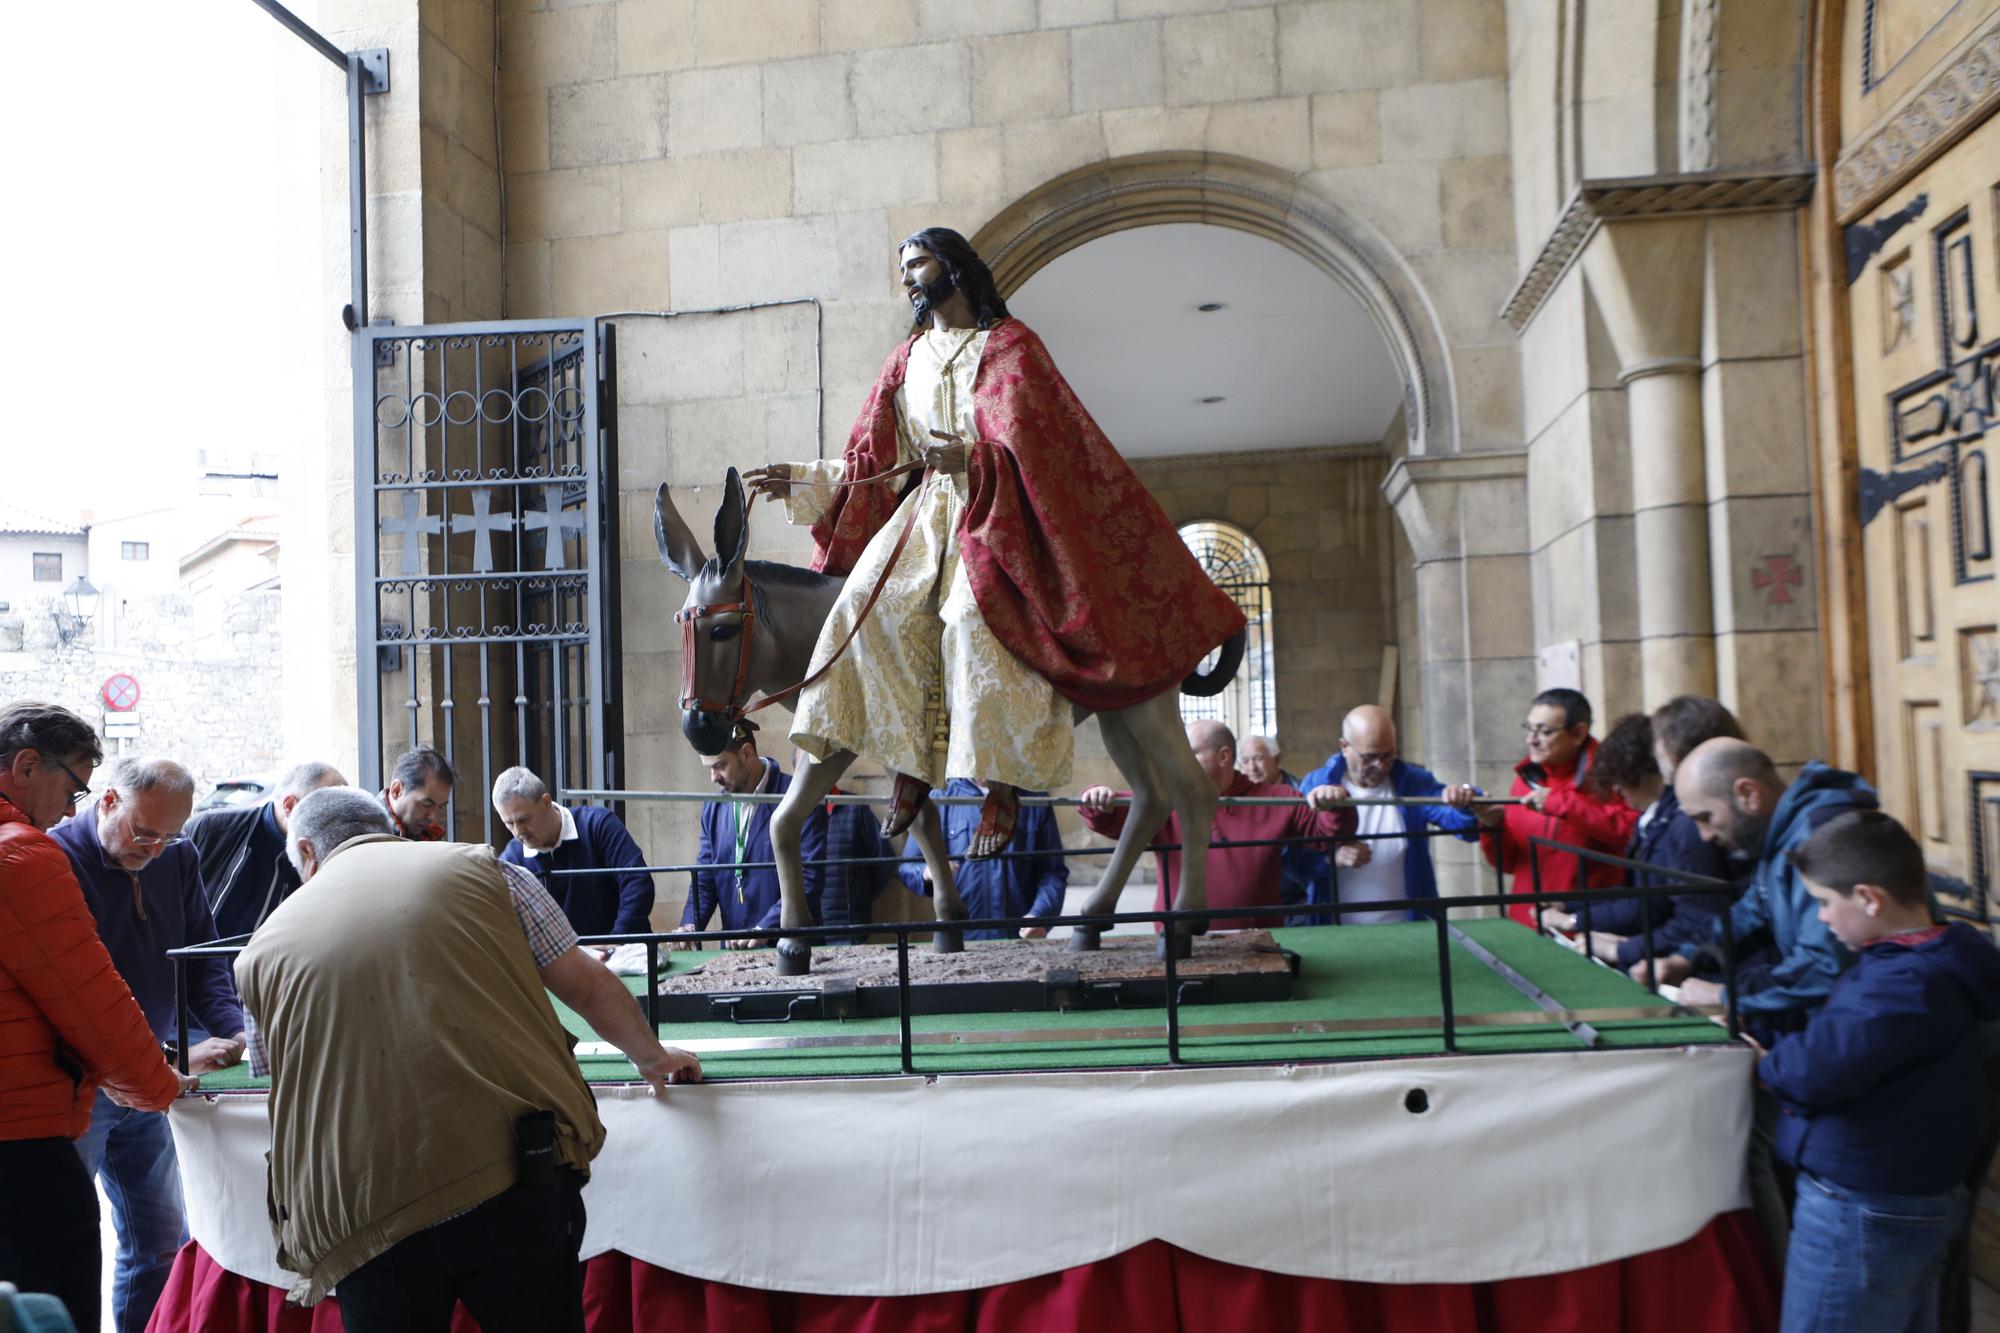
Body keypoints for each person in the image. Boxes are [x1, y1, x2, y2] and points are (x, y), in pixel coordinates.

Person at [745, 227, 1244, 858]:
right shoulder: (905, 360)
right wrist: (801, 478)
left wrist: (976, 460)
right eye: (903, 268)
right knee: (869, 611)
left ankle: (1002, 783)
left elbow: (1049, 451)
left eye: (918, 264)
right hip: (925, 519)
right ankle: (911, 764)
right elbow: (876, 460)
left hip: (999, 518)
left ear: (952, 268)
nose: (908, 279)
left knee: (971, 615)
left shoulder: (1012, 347)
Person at [234, 787, 700, 1327]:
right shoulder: (485, 869)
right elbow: (585, 984)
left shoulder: (259, 952)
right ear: (387, 822)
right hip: (508, 1172)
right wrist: (651, 1055)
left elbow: (275, 1078)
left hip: (363, 1210)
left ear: (308, 853)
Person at [1758, 811, 2000, 1333]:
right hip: (1904, 1193)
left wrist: (1768, 1059)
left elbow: (1814, 1071)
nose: (1820, 918)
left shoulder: (1901, 984)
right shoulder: (1933, 959)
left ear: (1869, 898)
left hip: (1861, 1203)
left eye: (1824, 902)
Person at [0, 703, 191, 1332]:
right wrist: (158, 1086)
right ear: (27, 767)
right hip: (22, 1133)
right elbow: (90, 999)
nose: (72, 807)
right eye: (73, 786)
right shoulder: (23, 857)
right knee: (49, 1308)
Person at [50, 756, 248, 1333]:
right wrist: (169, 1057)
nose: (156, 849)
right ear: (106, 800)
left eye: (169, 835)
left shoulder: (178, 856)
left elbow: (202, 956)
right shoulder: (56, 860)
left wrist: (233, 1030)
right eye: (145, 833)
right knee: (70, 1241)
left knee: (161, 1240)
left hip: (155, 1078)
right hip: (84, 1084)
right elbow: (80, 998)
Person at [1078, 721, 1356, 931]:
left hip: (1257, 943)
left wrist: (1333, 803)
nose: (1177, 763)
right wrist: (1097, 798)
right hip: (1177, 941)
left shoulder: (1276, 799)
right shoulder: (1165, 799)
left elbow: (1327, 832)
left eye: (1191, 753)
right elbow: (1114, 815)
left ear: (1224, 757)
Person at [1540, 713, 1729, 968]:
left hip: (1688, 963)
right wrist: (1571, 904)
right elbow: (1641, 895)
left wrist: (1618, 946)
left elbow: (1671, 911)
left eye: (1622, 777)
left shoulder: (1685, 824)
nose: (1617, 790)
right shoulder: (1657, 817)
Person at [1294, 705, 1484, 924]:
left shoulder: (1412, 781)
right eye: (1369, 757)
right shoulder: (1315, 785)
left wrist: (1466, 802)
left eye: (1389, 755)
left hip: (1409, 929)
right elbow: (1293, 861)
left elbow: (1461, 824)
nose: (1381, 766)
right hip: (1336, 932)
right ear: (1344, 747)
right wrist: (1332, 858)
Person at [1476, 688, 1636, 925]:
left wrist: (1562, 804)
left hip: (1584, 927)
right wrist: (1492, 828)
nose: (1531, 740)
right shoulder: (1525, 779)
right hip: (1526, 922)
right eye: (1529, 729)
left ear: (1578, 733)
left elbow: (1632, 832)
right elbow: (1508, 864)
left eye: (1544, 731)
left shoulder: (1611, 774)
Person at [677, 727, 825, 946]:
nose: (713, 778)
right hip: (733, 951)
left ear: (746, 754)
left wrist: (764, 929)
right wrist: (690, 926)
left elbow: (809, 877)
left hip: (790, 949)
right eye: (709, 768)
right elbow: (705, 879)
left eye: (719, 766)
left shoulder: (798, 797)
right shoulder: (713, 808)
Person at [186, 760, 346, 938]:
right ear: (290, 806)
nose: (338, 826)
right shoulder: (211, 830)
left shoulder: (335, 854)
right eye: (328, 814)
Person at [896, 779, 1069, 940]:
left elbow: (1053, 871)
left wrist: (1040, 916)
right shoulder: (940, 796)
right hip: (960, 939)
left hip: (1019, 937)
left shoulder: (1033, 797)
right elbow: (908, 867)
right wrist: (928, 871)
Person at [494, 766, 655, 937]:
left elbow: (638, 883)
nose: (518, 831)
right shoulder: (512, 858)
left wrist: (615, 940)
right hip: (557, 961)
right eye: (509, 824)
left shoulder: (598, 824)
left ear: (546, 802)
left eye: (523, 820)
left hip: (624, 952)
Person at [380, 745, 453, 841]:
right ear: (397, 791)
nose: (433, 817)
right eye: (426, 804)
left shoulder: (431, 835)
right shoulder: (365, 832)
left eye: (441, 807)